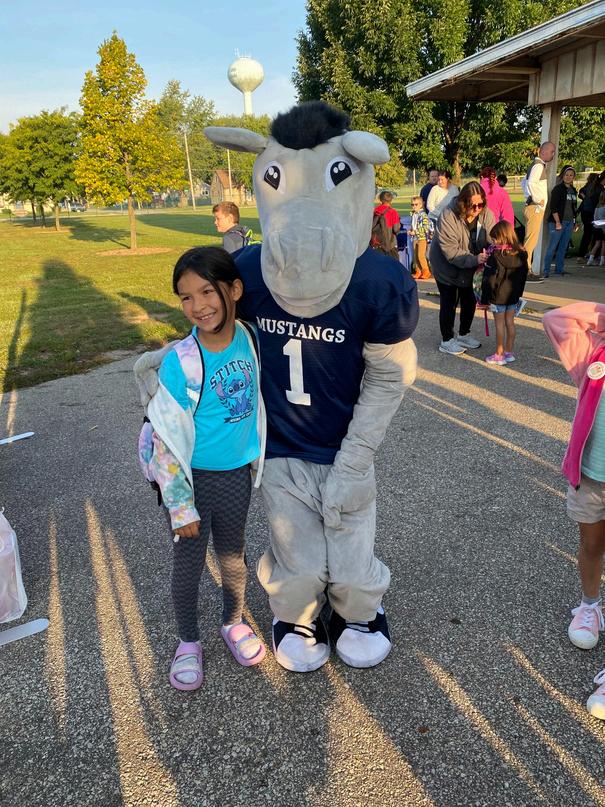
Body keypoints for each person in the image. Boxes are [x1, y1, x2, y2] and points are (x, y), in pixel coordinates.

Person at [135, 102, 419, 675]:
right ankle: (296, 614)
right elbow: (214, 323)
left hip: (344, 443)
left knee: (352, 547)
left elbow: (390, 373)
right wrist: (176, 359)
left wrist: (358, 454)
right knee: (298, 555)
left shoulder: (375, 280)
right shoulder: (252, 274)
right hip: (281, 446)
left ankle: (360, 611)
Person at [140, 246, 266, 690]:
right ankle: (188, 641)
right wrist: (179, 507)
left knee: (233, 556)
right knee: (189, 564)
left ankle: (233, 621)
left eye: (207, 291)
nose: (198, 305)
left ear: (235, 289)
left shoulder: (248, 337)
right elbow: (164, 438)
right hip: (191, 482)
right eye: (186, 297)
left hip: (236, 475)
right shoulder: (182, 362)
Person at [542, 302, 605, 719]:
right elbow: (555, 320)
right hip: (593, 476)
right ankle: (590, 605)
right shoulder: (594, 353)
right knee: (591, 544)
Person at [430, 181, 495, 355]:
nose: (477, 209)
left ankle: (464, 334)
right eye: (472, 205)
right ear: (463, 203)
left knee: (469, 299)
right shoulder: (448, 216)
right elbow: (451, 251)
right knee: (449, 301)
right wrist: (475, 259)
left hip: (471, 265)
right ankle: (446, 340)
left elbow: (493, 239)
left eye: (480, 204)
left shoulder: (486, 214)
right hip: (446, 266)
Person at [480, 221, 528, 365]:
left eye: (495, 238)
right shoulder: (522, 254)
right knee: (510, 323)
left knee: (499, 325)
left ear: (501, 237)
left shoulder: (495, 256)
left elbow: (490, 279)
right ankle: (508, 352)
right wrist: (519, 293)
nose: (493, 242)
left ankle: (499, 354)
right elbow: (524, 276)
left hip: (498, 296)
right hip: (513, 295)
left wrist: (484, 299)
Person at [522, 141, 556, 281]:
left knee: (530, 240)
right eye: (552, 151)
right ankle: (525, 271)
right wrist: (537, 199)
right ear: (543, 151)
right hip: (534, 208)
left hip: (532, 206)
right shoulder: (538, 166)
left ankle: (526, 269)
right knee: (530, 242)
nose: (553, 154)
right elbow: (530, 183)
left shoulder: (535, 165)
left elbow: (524, 182)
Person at [542, 165, 579, 278]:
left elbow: (573, 208)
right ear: (562, 175)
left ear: (574, 177)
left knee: (563, 247)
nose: (568, 177)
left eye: (571, 175)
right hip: (557, 222)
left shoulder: (573, 190)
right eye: (566, 175)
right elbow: (553, 207)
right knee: (552, 247)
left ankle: (559, 269)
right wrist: (557, 222)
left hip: (569, 222)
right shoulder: (558, 189)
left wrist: (574, 222)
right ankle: (546, 271)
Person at [577, 173, 601, 260]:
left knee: (587, 233)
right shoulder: (598, 188)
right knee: (591, 234)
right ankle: (587, 254)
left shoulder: (587, 186)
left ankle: (583, 254)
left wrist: (584, 197)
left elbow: (580, 192)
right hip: (591, 212)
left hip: (585, 212)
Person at [372, 190, 401, 259]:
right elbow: (396, 229)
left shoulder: (375, 210)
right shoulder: (393, 212)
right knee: (393, 263)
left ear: (380, 199)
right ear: (391, 200)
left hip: (376, 243)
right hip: (390, 245)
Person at [409, 196, 432, 279]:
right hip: (415, 238)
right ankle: (418, 271)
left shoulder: (423, 215)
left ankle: (426, 271)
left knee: (420, 255)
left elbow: (425, 227)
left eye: (416, 204)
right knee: (415, 256)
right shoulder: (413, 214)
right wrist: (411, 230)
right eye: (412, 204)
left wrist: (415, 232)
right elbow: (414, 225)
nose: (414, 206)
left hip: (422, 238)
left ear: (421, 205)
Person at [586, 190, 605, 266]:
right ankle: (602, 260)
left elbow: (595, 218)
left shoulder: (597, 206)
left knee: (597, 244)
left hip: (596, 227)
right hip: (603, 228)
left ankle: (590, 260)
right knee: (603, 244)